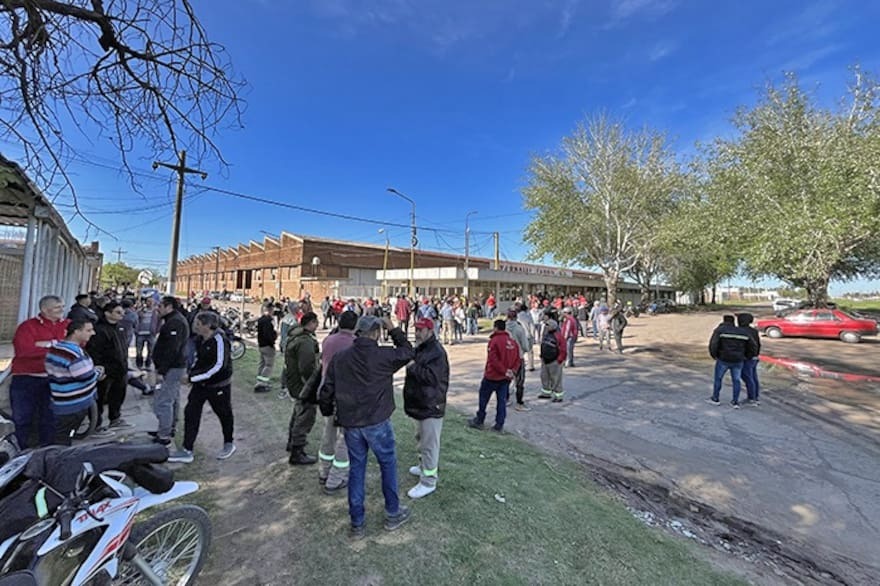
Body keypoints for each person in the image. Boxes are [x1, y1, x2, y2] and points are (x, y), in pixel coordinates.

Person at [319, 315, 414, 539]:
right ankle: (392, 513)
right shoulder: (382, 356)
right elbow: (408, 351)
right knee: (387, 466)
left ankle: (357, 522)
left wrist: (328, 412)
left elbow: (326, 389)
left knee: (357, 470)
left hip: (351, 423)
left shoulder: (341, 358)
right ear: (376, 333)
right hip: (377, 421)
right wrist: (393, 328)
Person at [168, 311, 236, 462]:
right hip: (201, 385)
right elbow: (198, 360)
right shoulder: (200, 339)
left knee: (224, 414)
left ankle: (229, 443)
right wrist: (192, 373)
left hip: (218, 386)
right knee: (191, 413)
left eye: (198, 324)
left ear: (207, 325)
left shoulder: (220, 340)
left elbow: (219, 366)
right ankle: (187, 449)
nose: (195, 326)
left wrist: (192, 377)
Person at [10, 295, 69, 448]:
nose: (62, 310)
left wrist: (44, 345)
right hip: (26, 379)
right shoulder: (27, 327)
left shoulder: (68, 325)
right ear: (44, 309)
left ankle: (46, 452)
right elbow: (24, 351)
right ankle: (22, 451)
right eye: (57, 307)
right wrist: (56, 347)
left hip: (55, 379)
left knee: (50, 418)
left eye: (62, 306)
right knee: (23, 418)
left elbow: (77, 346)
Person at [403, 318, 450, 499]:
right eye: (416, 329)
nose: (417, 332)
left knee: (430, 444)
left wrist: (413, 367)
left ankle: (428, 481)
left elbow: (432, 378)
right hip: (421, 404)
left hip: (431, 404)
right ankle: (423, 467)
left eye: (421, 329)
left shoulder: (436, 352)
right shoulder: (422, 348)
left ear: (430, 331)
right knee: (421, 438)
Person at [315, 310, 359, 493]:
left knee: (329, 432)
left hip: (326, 392)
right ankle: (336, 478)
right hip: (345, 395)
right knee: (345, 437)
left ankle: (324, 471)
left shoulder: (328, 340)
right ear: (355, 325)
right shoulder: (354, 344)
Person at [45, 320, 100, 445]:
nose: (93, 333)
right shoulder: (74, 353)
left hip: (61, 401)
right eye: (88, 330)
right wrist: (97, 373)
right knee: (63, 438)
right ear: (76, 332)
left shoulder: (56, 347)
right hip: (72, 405)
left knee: (61, 435)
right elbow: (86, 376)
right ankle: (58, 461)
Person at [86, 301, 133, 433]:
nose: (121, 315)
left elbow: (123, 347)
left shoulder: (120, 327)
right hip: (106, 370)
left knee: (118, 395)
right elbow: (94, 351)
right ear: (107, 313)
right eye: (118, 312)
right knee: (100, 397)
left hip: (120, 369)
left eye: (122, 312)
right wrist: (100, 369)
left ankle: (115, 418)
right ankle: (96, 425)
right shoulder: (99, 330)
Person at [468, 320, 521, 432]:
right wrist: (512, 371)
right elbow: (518, 359)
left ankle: (480, 419)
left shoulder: (494, 341)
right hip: (506, 378)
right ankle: (499, 425)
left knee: (483, 399)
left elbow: (493, 360)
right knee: (502, 402)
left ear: (496, 328)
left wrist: (504, 371)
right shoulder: (513, 342)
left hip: (492, 376)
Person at [151, 296, 190, 446]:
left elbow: (172, 349)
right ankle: (168, 428)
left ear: (169, 307)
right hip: (174, 366)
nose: (157, 308)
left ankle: (164, 435)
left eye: (160, 306)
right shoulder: (172, 320)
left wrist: (162, 370)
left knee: (164, 401)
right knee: (172, 398)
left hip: (172, 367)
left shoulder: (175, 322)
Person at [285, 312, 321, 465]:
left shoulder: (295, 336)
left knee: (298, 412)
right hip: (303, 384)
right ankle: (297, 451)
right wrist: (312, 385)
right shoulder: (305, 341)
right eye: (316, 322)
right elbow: (307, 366)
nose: (317, 325)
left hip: (294, 381)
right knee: (305, 416)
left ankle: (292, 442)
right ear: (311, 323)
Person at [707, 315, 757, 409]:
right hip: (738, 360)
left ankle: (715, 398)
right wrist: (747, 356)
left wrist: (714, 355)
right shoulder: (742, 332)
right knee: (736, 380)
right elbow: (753, 346)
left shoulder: (720, 330)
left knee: (718, 379)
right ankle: (735, 402)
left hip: (723, 359)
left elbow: (713, 344)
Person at [504, 309, 531, 412]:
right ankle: (519, 403)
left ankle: (505, 399)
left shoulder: (504, 328)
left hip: (506, 357)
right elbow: (525, 345)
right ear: (516, 317)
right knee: (519, 381)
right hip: (518, 357)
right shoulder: (519, 329)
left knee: (506, 379)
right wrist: (525, 350)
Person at [537, 319, 567, 402]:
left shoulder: (559, 336)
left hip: (555, 361)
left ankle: (558, 396)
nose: (546, 326)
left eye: (547, 325)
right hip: (545, 360)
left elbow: (563, 349)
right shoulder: (546, 335)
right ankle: (546, 393)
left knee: (556, 379)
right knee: (544, 377)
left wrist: (559, 360)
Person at [736, 313, 762, 406]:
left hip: (746, 357)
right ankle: (755, 396)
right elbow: (758, 344)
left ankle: (751, 398)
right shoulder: (753, 331)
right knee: (753, 377)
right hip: (754, 357)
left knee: (747, 377)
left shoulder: (741, 331)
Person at [254, 304, 278, 393]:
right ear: (271, 310)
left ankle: (259, 381)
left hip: (261, 345)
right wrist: (273, 338)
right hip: (268, 346)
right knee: (268, 365)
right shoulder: (268, 321)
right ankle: (262, 384)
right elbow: (268, 334)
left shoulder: (261, 320)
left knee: (262, 364)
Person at [135, 297, 159, 369]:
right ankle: (139, 365)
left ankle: (148, 365)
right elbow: (136, 319)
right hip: (140, 333)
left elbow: (160, 321)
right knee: (139, 351)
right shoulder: (141, 311)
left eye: (152, 301)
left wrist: (157, 330)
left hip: (151, 334)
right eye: (149, 301)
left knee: (151, 351)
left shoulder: (156, 312)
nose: (150, 303)